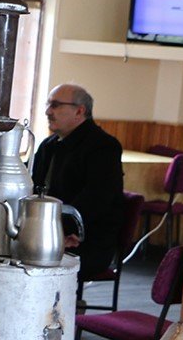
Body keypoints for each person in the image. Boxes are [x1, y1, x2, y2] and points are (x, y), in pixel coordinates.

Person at [31, 83, 124, 278]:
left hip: (86, 241)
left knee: (27, 260)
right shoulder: (49, 145)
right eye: (48, 104)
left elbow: (97, 199)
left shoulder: (103, 147)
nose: (48, 111)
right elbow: (32, 188)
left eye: (55, 105)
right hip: (49, 233)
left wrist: (61, 230)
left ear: (79, 111)